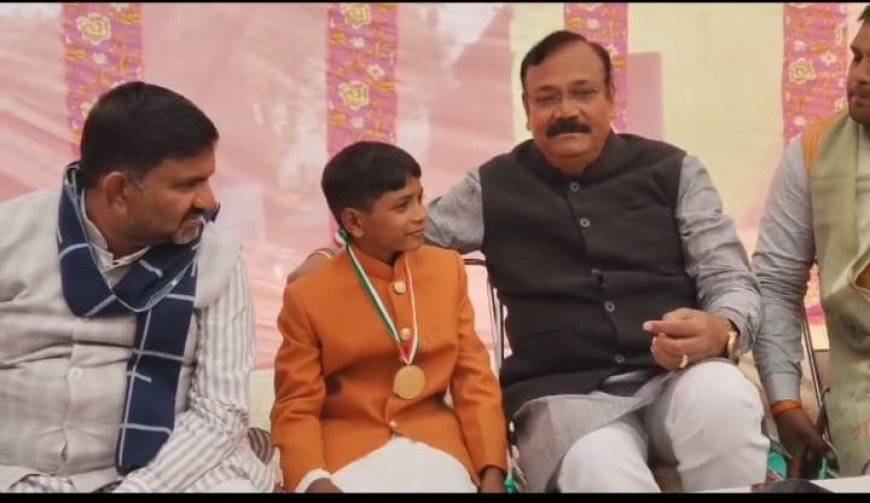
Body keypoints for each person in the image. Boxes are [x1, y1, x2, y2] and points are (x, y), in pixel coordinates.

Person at [288, 30, 768, 492]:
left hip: (679, 373)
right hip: (565, 397)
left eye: (583, 93)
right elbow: (403, 231)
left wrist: (722, 329)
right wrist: (329, 255)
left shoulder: (673, 170)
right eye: (547, 98)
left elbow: (729, 276)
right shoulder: (492, 186)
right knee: (601, 472)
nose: (566, 111)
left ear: (611, 96)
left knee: (724, 400)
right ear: (526, 107)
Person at [0, 82, 274, 493]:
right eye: (187, 184)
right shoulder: (10, 235)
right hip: (18, 472)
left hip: (171, 475)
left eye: (207, 180)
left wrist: (139, 490)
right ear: (119, 190)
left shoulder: (218, 258)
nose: (208, 201)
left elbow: (220, 412)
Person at [270, 141, 507, 493]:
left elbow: (473, 378)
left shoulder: (447, 270)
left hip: (437, 445)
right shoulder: (307, 295)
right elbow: (295, 404)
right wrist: (313, 480)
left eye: (420, 199)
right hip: (347, 453)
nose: (421, 215)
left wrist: (492, 468)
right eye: (402, 205)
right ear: (354, 221)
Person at [753, 4, 870, 478]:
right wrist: (784, 401)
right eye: (857, 58)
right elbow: (776, 285)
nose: (860, 77)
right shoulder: (813, 153)